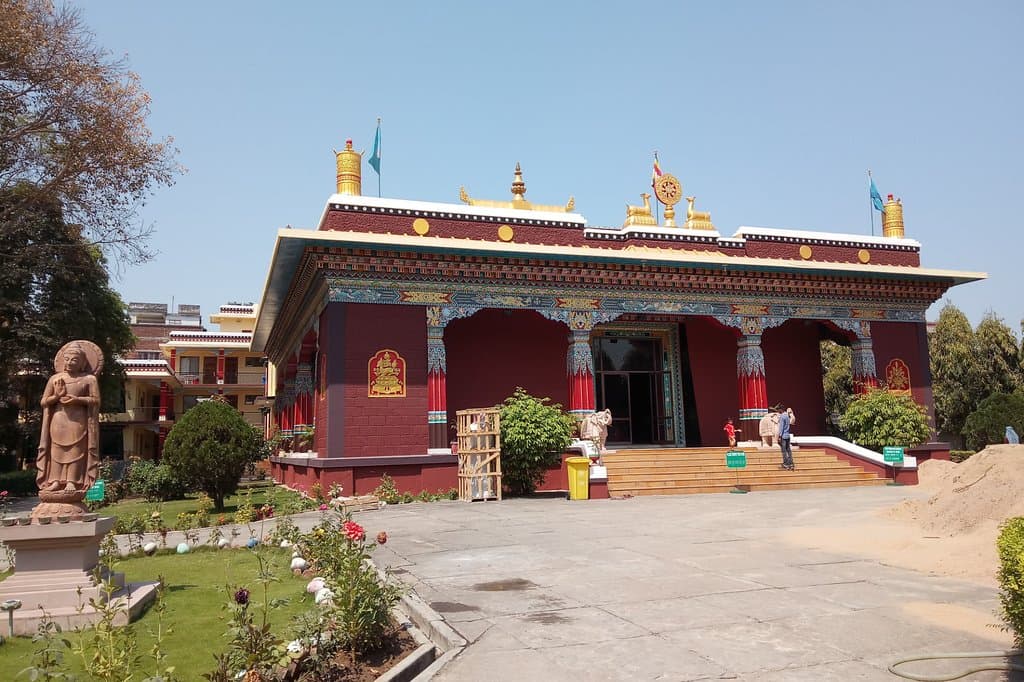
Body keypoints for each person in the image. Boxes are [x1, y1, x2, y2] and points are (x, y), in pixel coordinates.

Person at [37, 341, 102, 493]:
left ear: (82, 362)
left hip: (78, 421)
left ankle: (73, 481)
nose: (70, 362)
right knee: (56, 451)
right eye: (67, 359)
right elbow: (44, 402)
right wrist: (56, 396)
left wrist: (78, 400)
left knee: (76, 451)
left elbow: (96, 401)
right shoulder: (55, 379)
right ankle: (55, 481)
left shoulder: (89, 379)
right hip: (58, 420)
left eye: (74, 360)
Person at [778, 405, 794, 470]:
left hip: (783, 436)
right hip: (788, 435)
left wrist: (779, 436)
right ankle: (791, 463)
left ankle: (786, 464)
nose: (778, 411)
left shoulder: (782, 416)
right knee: (788, 450)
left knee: (784, 450)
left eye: (779, 409)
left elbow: (781, 427)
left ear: (781, 409)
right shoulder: (787, 416)